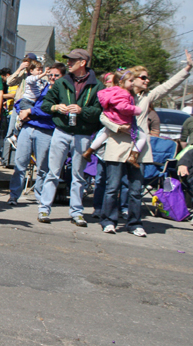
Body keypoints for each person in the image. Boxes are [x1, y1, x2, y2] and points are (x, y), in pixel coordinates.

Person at [98, 53, 192, 236]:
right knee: (112, 187)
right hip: (118, 146)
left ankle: (134, 223)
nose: (147, 80)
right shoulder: (118, 95)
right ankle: (108, 220)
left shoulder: (146, 98)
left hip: (138, 150)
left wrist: (187, 69)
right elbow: (103, 116)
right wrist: (118, 127)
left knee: (135, 189)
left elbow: (168, 86)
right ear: (132, 79)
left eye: (148, 78)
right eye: (143, 77)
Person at [38, 49, 104, 226]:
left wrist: (82, 111)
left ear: (82, 62)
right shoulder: (61, 83)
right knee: (53, 172)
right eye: (68, 60)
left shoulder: (97, 86)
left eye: (72, 60)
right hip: (61, 132)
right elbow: (46, 104)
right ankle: (44, 209)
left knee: (78, 175)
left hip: (82, 135)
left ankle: (76, 212)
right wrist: (56, 108)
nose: (68, 63)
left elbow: (99, 112)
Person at [8, 63, 65, 205]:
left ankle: (41, 197)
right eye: (50, 74)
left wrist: (31, 112)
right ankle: (14, 195)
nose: (52, 77)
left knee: (42, 167)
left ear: (63, 76)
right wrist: (21, 110)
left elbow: (50, 110)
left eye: (56, 75)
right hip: (27, 128)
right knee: (20, 163)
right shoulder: (42, 86)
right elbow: (23, 99)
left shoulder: (63, 93)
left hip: (45, 130)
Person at [81, 70, 147, 167]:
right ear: (121, 82)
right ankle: (133, 156)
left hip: (112, 118)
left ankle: (89, 151)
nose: (133, 83)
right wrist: (136, 110)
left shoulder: (112, 91)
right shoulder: (123, 93)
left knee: (104, 134)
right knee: (142, 137)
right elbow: (123, 107)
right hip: (122, 121)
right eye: (130, 81)